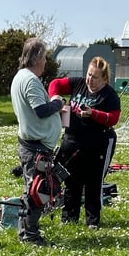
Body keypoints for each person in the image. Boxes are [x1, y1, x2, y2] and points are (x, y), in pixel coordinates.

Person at [49, 56, 120, 230]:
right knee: (72, 180)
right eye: (89, 75)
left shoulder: (109, 95)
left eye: (95, 77)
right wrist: (55, 98)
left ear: (104, 79)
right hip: (73, 139)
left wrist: (93, 113)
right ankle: (69, 218)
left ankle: (92, 221)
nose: (90, 80)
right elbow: (55, 84)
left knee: (93, 182)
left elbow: (113, 118)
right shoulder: (78, 83)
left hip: (98, 142)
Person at [10, 37, 66, 246]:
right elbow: (41, 110)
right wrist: (57, 103)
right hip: (36, 146)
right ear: (37, 58)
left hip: (32, 143)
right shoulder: (30, 80)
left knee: (32, 188)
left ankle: (26, 232)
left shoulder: (20, 77)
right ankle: (30, 235)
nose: (45, 63)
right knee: (37, 191)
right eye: (44, 58)